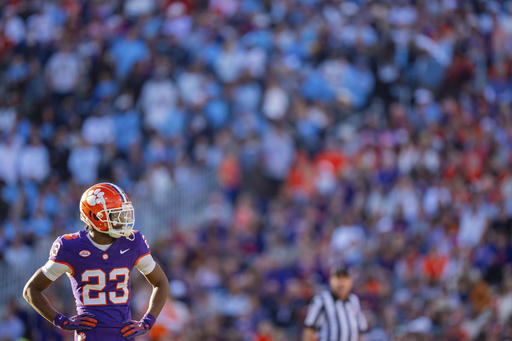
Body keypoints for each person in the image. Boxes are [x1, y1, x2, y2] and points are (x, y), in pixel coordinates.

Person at [23, 182, 169, 340]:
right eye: (116, 214)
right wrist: (61, 321)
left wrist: (147, 322)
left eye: (123, 213)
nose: (122, 220)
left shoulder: (133, 242)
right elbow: (31, 290)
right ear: (95, 216)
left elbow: (161, 283)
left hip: (123, 335)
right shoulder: (70, 246)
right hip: (90, 335)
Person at [302, 265, 368, 341]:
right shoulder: (321, 300)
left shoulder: (354, 301)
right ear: (331, 281)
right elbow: (309, 329)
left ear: (350, 281)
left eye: (344, 279)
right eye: (338, 279)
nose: (341, 283)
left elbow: (360, 330)